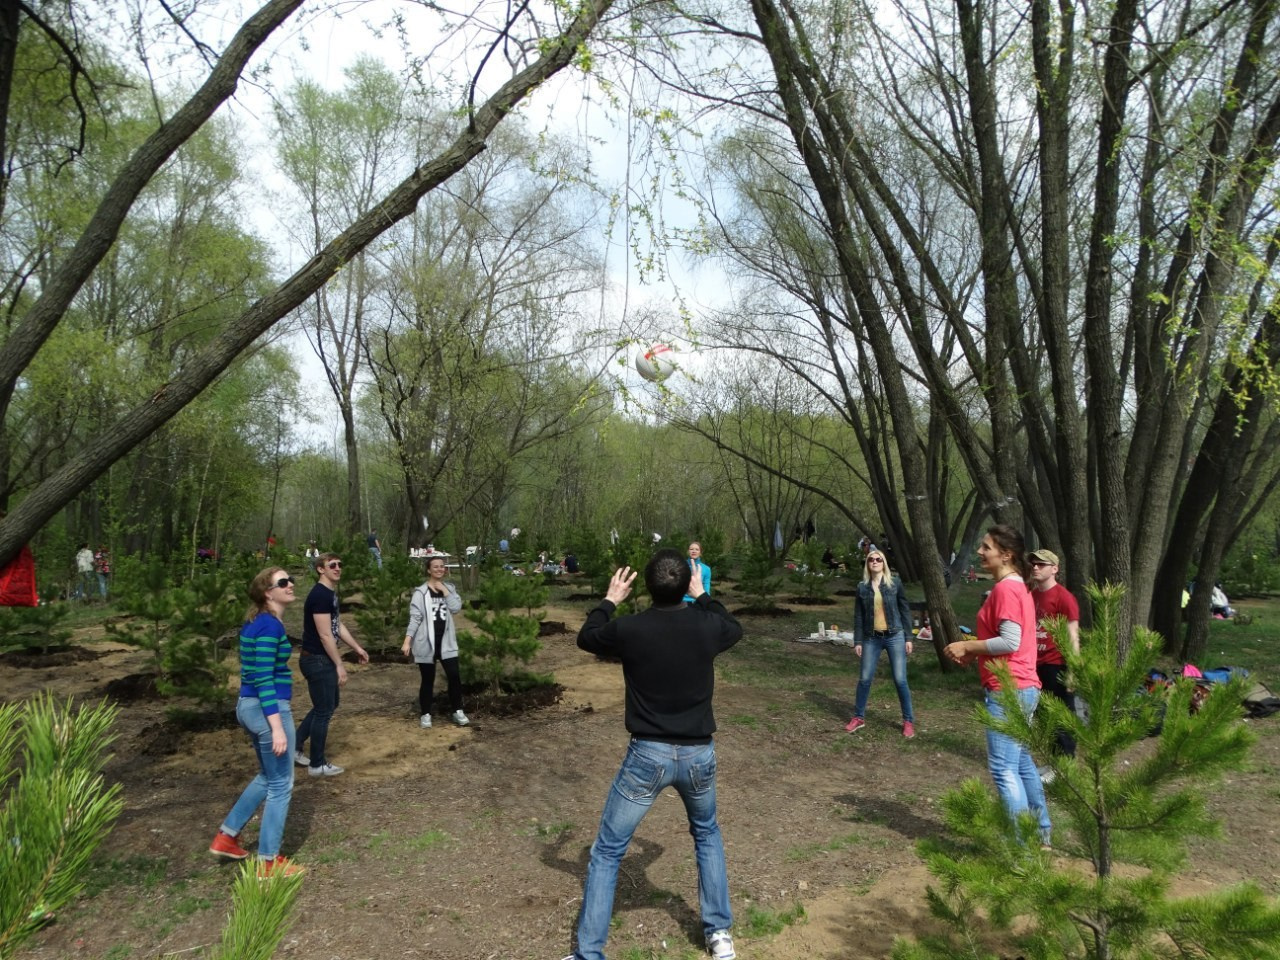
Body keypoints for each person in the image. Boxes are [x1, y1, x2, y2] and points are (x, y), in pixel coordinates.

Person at [567, 551, 742, 960]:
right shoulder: (707, 626)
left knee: (609, 850)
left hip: (647, 756)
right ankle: (719, 936)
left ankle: (589, 953)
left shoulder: (629, 629)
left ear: (644, 587)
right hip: (699, 755)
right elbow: (734, 627)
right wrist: (703, 597)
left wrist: (610, 599)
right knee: (707, 835)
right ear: (687, 586)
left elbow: (587, 636)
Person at [944, 525, 1051, 848]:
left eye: (986, 547)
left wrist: (969, 647)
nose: (980, 552)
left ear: (1006, 555)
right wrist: (974, 653)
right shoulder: (1016, 588)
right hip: (1023, 686)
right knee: (1021, 764)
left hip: (1010, 689)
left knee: (1004, 770)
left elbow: (1009, 641)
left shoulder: (1006, 589)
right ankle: (1041, 835)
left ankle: (1023, 852)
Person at [208, 567, 305, 877]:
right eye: (283, 582)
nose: (290, 585)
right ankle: (268, 863)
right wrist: (276, 727)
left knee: (267, 776)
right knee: (281, 784)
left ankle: (226, 837)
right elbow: (263, 678)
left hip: (249, 708)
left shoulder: (258, 623)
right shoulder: (268, 627)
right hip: (268, 708)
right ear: (268, 592)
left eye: (291, 580)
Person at [295, 552, 369, 777]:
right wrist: (339, 664)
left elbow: (337, 625)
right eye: (332, 565)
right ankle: (317, 764)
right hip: (316, 659)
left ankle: (294, 747)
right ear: (320, 569)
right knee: (323, 711)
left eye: (340, 564)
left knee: (327, 705)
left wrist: (357, 648)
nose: (338, 568)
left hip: (320, 659)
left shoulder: (329, 594)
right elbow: (326, 635)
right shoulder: (319, 595)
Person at [844, 548, 916, 738]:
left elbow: (905, 610)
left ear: (884, 563)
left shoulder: (895, 584)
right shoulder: (862, 587)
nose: (874, 562)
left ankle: (908, 721)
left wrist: (908, 638)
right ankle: (858, 717)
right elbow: (858, 616)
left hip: (895, 636)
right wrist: (857, 640)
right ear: (867, 564)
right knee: (865, 679)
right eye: (871, 560)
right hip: (871, 637)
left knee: (900, 680)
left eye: (878, 559)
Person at [401, 555, 470, 729]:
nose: (440, 569)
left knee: (454, 676)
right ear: (428, 570)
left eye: (442, 566)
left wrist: (445, 592)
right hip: (426, 644)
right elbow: (415, 618)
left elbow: (455, 608)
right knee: (427, 679)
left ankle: (457, 711)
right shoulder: (421, 592)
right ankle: (426, 714)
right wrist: (407, 641)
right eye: (436, 566)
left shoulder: (450, 589)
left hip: (447, 643)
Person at [1028, 549, 1080, 759]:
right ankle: (1053, 761)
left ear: (1055, 569)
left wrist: (1073, 671)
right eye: (1034, 564)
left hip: (1056, 664)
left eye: (1041, 564)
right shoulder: (1031, 595)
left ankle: (1066, 762)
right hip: (1034, 664)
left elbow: (1073, 637)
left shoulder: (1064, 598)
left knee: (1062, 714)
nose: (1035, 567)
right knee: (1043, 715)